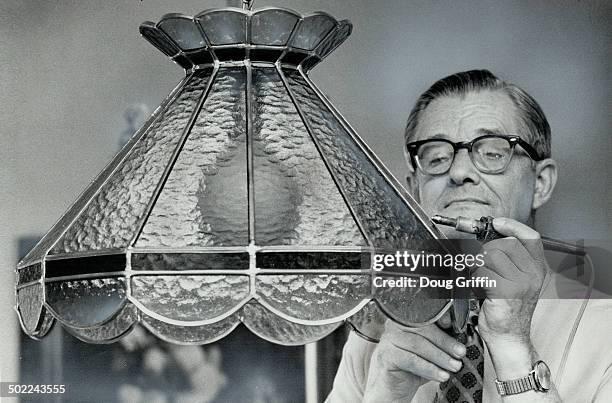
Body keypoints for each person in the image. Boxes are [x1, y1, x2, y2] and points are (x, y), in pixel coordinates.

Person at [326, 70, 612, 402]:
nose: (459, 172)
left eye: (493, 153)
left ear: (541, 183)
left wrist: (514, 352)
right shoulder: (376, 331)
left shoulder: (605, 330)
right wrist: (385, 391)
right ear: (414, 189)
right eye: (437, 158)